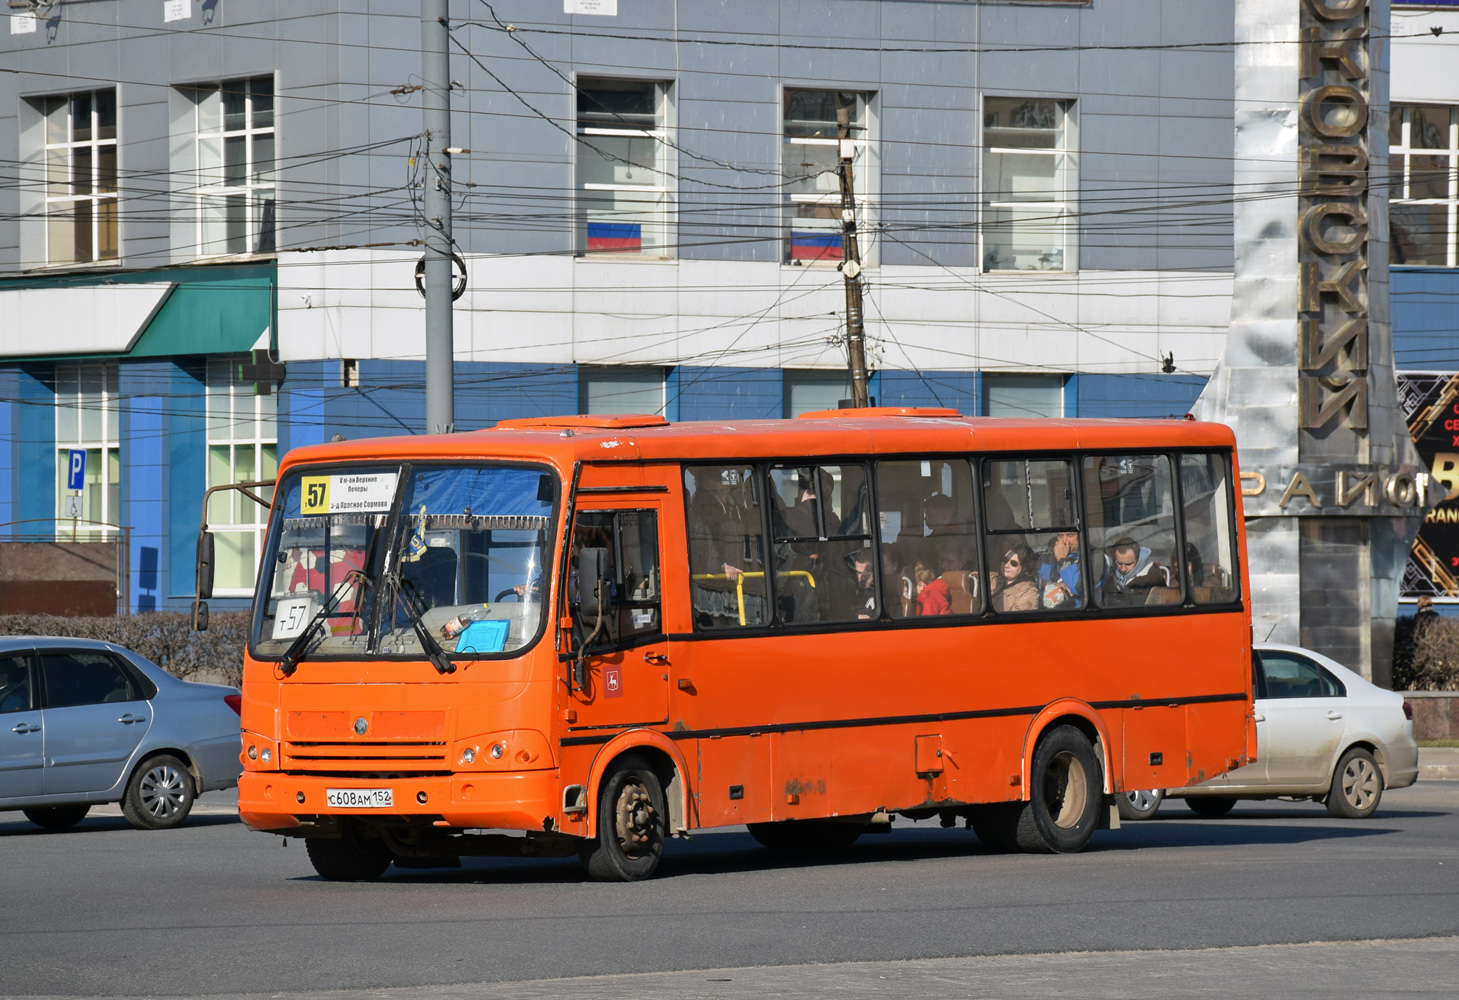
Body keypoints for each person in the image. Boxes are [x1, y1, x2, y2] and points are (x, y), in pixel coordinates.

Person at [688, 467, 765, 627]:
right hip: (711, 589)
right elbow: (702, 545)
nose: (726, 484)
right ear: (705, 483)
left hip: (734, 584)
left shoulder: (733, 509)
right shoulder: (701, 510)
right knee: (720, 626)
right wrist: (722, 566)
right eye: (718, 478)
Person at [1104, 537, 1167, 605]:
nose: (1123, 569)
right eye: (1119, 563)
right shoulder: (1111, 573)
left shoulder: (1153, 579)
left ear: (1138, 560)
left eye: (1128, 564)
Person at [822, 547, 879, 620]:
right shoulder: (848, 589)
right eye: (858, 572)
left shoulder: (879, 594)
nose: (862, 578)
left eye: (867, 574)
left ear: (875, 572)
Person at [990, 540, 1040, 613]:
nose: (1006, 565)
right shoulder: (991, 578)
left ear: (1024, 568)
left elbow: (1017, 620)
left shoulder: (1028, 592)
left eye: (1013, 563)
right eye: (1005, 560)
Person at [1038, 530, 1083, 609]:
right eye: (1061, 536)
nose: (1065, 541)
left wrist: (1062, 561)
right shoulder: (1048, 559)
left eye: (1070, 535)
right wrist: (1048, 584)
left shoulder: (1087, 557)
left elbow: (1076, 588)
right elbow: (1034, 581)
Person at [911, 543, 951, 616]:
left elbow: (925, 623)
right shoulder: (928, 596)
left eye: (907, 586)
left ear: (920, 585)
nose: (904, 590)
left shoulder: (928, 598)